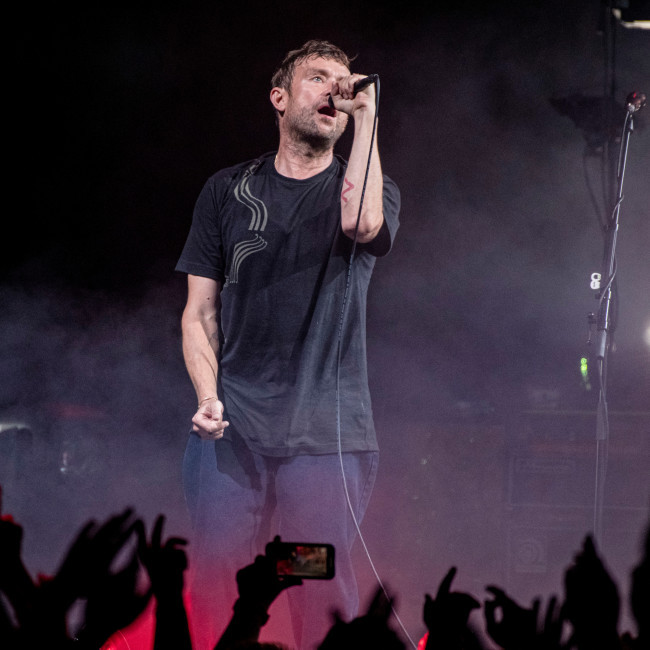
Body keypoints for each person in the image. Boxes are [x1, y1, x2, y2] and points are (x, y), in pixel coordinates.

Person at [175, 39, 400, 649]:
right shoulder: (227, 190)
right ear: (279, 97)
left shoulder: (368, 188)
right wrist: (207, 396)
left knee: (312, 575)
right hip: (234, 432)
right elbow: (199, 313)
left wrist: (367, 117)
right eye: (319, 77)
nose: (337, 88)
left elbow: (361, 224)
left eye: (344, 80)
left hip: (324, 440)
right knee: (218, 575)